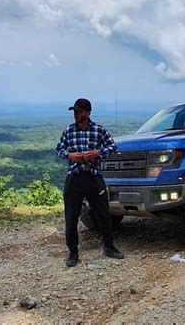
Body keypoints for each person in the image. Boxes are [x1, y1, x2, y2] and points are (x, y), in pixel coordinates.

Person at [56, 98, 124, 267]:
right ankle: (73, 253)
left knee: (103, 214)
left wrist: (98, 153)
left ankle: (109, 247)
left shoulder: (98, 130)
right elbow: (59, 149)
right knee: (71, 218)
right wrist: (70, 155)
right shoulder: (69, 131)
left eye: (78, 111)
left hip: (93, 177)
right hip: (74, 177)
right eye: (74, 111)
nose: (75, 114)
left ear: (87, 113)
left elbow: (112, 147)